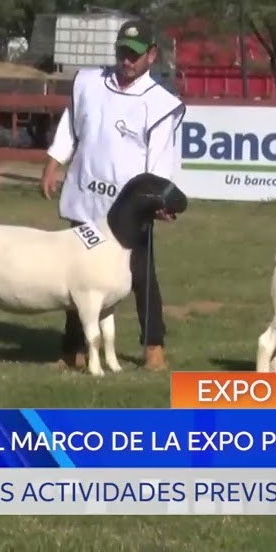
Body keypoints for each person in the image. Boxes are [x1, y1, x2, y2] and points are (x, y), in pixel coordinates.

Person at [41, 19, 185, 372]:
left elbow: (160, 158)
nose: (127, 60)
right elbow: (71, 126)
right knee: (77, 271)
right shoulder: (88, 83)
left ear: (152, 55)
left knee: (140, 273)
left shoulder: (160, 103)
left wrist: (159, 200)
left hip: (129, 209)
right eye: (122, 51)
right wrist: (53, 162)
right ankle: (71, 348)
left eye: (135, 55)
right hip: (86, 194)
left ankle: (153, 346)